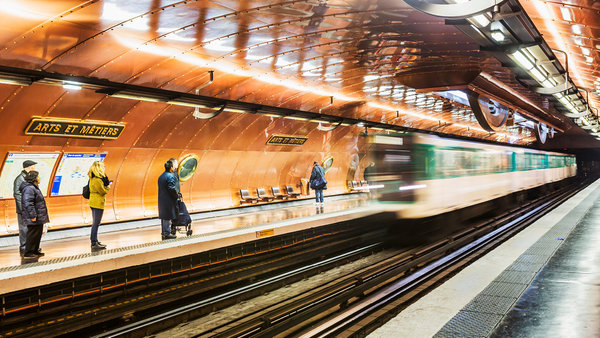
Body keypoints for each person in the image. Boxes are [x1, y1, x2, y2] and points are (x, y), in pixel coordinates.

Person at [20, 171, 49, 261]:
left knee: (37, 234)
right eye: (38, 177)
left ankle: (35, 251)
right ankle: (28, 253)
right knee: (32, 234)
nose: (39, 178)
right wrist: (32, 215)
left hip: (38, 215)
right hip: (34, 216)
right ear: (34, 178)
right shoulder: (29, 189)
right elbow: (28, 203)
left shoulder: (34, 187)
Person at [13, 160, 37, 256]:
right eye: (33, 166)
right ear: (29, 167)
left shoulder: (27, 178)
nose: (34, 168)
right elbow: (17, 194)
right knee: (23, 228)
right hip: (23, 209)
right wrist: (22, 208)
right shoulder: (19, 179)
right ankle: (23, 246)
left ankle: (30, 247)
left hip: (28, 207)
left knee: (30, 228)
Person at [88, 161, 111, 251]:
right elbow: (102, 191)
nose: (104, 168)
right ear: (99, 168)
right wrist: (108, 186)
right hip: (97, 203)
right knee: (96, 223)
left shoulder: (92, 178)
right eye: (103, 167)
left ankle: (95, 241)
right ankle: (94, 243)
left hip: (93, 202)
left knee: (95, 223)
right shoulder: (97, 179)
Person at [158, 160, 179, 239]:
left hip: (161, 198)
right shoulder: (170, 176)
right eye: (173, 167)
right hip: (168, 199)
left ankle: (164, 232)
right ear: (171, 168)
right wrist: (176, 196)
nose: (174, 168)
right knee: (167, 216)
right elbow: (171, 188)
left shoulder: (161, 176)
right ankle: (167, 233)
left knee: (164, 216)